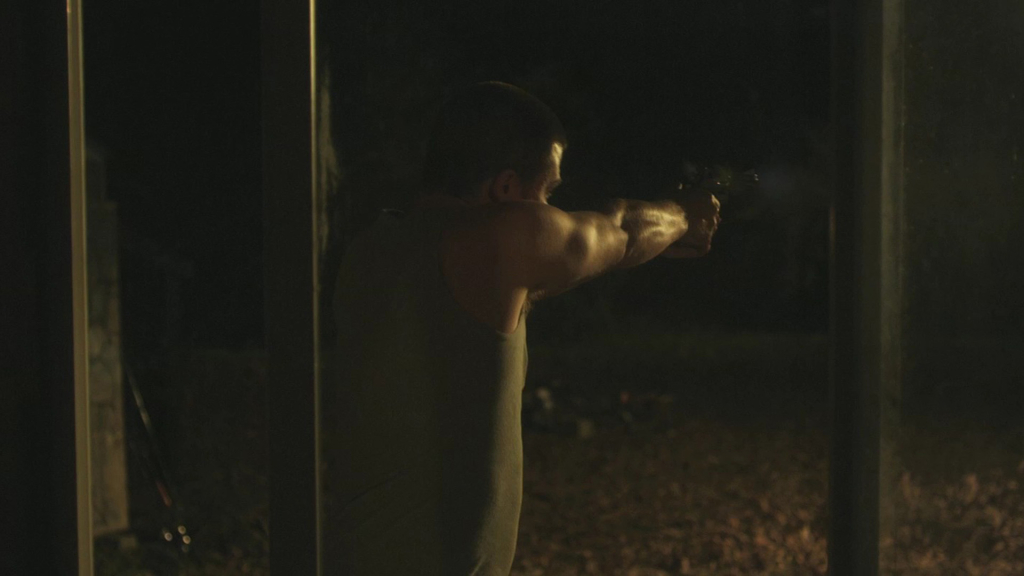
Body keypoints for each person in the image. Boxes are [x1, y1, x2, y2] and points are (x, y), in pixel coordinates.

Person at [329, 81, 720, 575]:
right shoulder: (497, 240)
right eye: (548, 191)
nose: (551, 207)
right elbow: (619, 231)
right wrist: (684, 214)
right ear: (507, 189)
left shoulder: (375, 249)